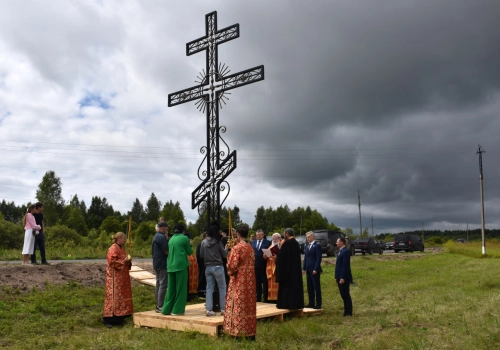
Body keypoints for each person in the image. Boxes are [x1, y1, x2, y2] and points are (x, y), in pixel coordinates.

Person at [223, 224, 256, 340]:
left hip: (239, 280)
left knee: (237, 304)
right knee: (248, 304)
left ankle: (237, 332)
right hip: (250, 280)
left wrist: (228, 266)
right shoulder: (251, 248)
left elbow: (232, 266)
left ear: (238, 234)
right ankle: (250, 332)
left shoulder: (237, 248)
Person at [103, 232, 133, 328]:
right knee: (113, 297)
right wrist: (123, 261)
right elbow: (112, 262)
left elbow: (124, 261)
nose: (125, 240)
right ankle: (109, 320)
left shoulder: (122, 249)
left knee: (121, 296)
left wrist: (128, 262)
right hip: (114, 278)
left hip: (122, 278)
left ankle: (119, 318)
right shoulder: (113, 248)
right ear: (119, 238)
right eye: (124, 238)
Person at [162, 223, 192, 316]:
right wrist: (189, 244)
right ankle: (177, 310)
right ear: (183, 230)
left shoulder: (171, 239)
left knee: (171, 288)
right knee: (181, 288)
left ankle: (166, 309)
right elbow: (189, 252)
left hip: (170, 266)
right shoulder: (184, 238)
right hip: (181, 265)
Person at [200, 224, 227, 316]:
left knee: (209, 288)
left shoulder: (203, 242)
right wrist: (226, 248)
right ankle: (223, 309)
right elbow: (224, 255)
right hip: (218, 266)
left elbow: (201, 255)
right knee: (222, 288)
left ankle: (209, 310)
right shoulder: (218, 242)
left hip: (208, 267)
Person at [276, 228, 304, 310]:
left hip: (287, 272)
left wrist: (276, 259)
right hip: (295, 271)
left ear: (287, 234)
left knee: (287, 289)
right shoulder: (295, 243)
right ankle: (296, 304)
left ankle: (286, 304)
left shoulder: (287, 243)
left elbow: (282, 258)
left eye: (284, 233)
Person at [152, 221, 169, 313]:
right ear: (163, 227)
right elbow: (166, 251)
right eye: (166, 227)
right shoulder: (162, 237)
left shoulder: (155, 236)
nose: (167, 229)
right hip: (162, 263)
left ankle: (158, 303)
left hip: (156, 263)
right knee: (163, 284)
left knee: (158, 284)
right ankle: (160, 305)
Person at [303, 231, 322, 309]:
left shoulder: (317, 246)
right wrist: (304, 268)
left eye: (309, 237)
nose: (308, 238)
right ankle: (311, 302)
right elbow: (305, 258)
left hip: (314, 270)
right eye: (307, 237)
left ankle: (318, 303)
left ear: (313, 237)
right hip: (308, 269)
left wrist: (316, 268)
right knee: (309, 287)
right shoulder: (307, 246)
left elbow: (319, 258)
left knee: (316, 287)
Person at [252, 229, 271, 302]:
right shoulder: (253, 242)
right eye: (257, 235)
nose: (258, 236)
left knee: (265, 282)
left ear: (263, 235)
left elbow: (269, 253)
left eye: (260, 235)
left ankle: (265, 298)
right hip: (255, 265)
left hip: (264, 265)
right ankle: (258, 297)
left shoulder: (268, 242)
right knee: (257, 283)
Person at [335, 237, 353, 316]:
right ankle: (346, 310)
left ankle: (348, 311)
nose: (336, 243)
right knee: (343, 294)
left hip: (344, 277)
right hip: (339, 276)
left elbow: (345, 266)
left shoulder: (345, 251)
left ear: (342, 242)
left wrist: (342, 277)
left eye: (337, 241)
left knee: (345, 294)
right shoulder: (340, 251)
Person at [265, 233, 281, 302]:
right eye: (273, 239)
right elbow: (267, 257)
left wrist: (277, 258)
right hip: (270, 268)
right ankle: (271, 299)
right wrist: (265, 256)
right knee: (270, 284)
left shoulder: (281, 247)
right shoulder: (270, 247)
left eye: (276, 238)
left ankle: (278, 299)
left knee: (278, 284)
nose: (274, 240)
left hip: (277, 268)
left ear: (279, 239)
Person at [196, 232, 208, 298]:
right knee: (202, 278)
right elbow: (198, 255)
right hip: (202, 264)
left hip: (206, 264)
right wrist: (201, 263)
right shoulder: (200, 245)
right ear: (203, 237)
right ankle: (201, 292)